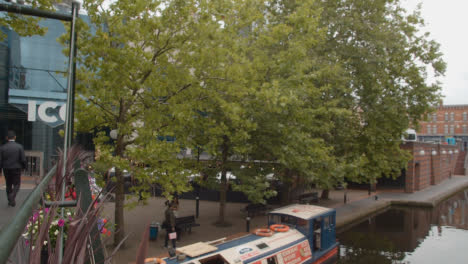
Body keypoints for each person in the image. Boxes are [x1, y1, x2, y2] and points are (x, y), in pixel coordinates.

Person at [0, 130, 26, 207]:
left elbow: (0, 160)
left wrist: (0, 170)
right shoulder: (19, 147)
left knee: (8, 184)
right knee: (17, 184)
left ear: (6, 138)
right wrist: (24, 167)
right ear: (15, 137)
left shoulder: (2, 148)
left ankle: (10, 200)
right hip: (16, 168)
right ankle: (12, 196)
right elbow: (23, 159)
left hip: (6, 168)